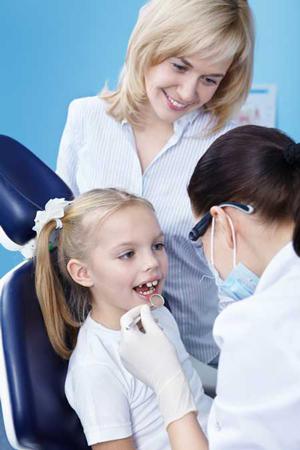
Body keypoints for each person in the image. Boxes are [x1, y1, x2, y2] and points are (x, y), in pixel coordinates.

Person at [56, 0, 254, 364]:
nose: (188, 92)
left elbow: (241, 267)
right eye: (179, 66)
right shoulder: (85, 118)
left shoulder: (226, 144)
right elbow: (60, 233)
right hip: (104, 348)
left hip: (202, 354)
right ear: (149, 46)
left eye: (209, 79)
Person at [119, 125, 300, 450]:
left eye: (198, 242)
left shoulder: (258, 323)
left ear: (222, 221)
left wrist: (167, 382)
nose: (149, 265)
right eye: (128, 254)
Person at [34, 188, 212, 450]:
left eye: (157, 246)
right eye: (127, 254)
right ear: (82, 273)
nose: (152, 262)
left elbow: (190, 382)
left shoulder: (156, 312)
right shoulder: (95, 367)